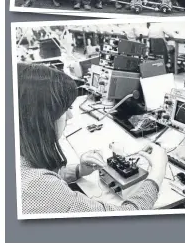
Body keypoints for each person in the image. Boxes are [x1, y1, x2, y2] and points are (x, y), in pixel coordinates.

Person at [18, 63, 166, 214]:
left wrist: (79, 170)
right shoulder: (36, 186)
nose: (70, 116)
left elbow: (41, 176)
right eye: (65, 109)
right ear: (41, 117)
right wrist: (157, 173)